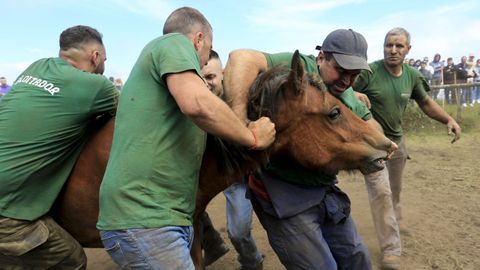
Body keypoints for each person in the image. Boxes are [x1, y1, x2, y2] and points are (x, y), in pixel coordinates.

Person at [96, 7, 276, 270]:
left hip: (159, 220)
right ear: (198, 39)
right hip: (147, 221)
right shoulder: (173, 43)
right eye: (208, 49)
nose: (204, 63)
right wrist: (251, 137)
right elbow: (198, 105)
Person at [223, 29, 396, 270]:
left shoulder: (344, 92)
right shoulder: (299, 68)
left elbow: (367, 122)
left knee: (358, 260)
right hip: (283, 195)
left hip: (323, 191)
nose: (347, 80)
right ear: (322, 57)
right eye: (342, 70)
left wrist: (383, 141)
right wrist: (239, 124)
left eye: (354, 75)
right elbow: (241, 57)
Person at [0, 25, 117, 269]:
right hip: (7, 212)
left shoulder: (38, 65)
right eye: (105, 59)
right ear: (95, 57)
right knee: (69, 259)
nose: (104, 63)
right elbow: (133, 115)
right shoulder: (97, 87)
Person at [353, 27, 461, 270]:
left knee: (395, 190)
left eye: (398, 46)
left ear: (408, 49)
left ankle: (395, 222)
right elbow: (344, 88)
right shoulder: (370, 72)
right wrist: (355, 93)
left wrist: (448, 120)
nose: (393, 50)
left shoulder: (411, 75)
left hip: (398, 143)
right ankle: (391, 249)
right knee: (381, 193)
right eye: (388, 45)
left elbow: (425, 102)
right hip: (372, 144)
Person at [201, 50, 264, 270]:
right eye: (200, 79)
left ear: (224, 74)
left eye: (210, 77)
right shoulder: (197, 103)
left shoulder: (245, 95)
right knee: (237, 232)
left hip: (261, 175)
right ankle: (252, 261)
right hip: (232, 180)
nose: (206, 84)